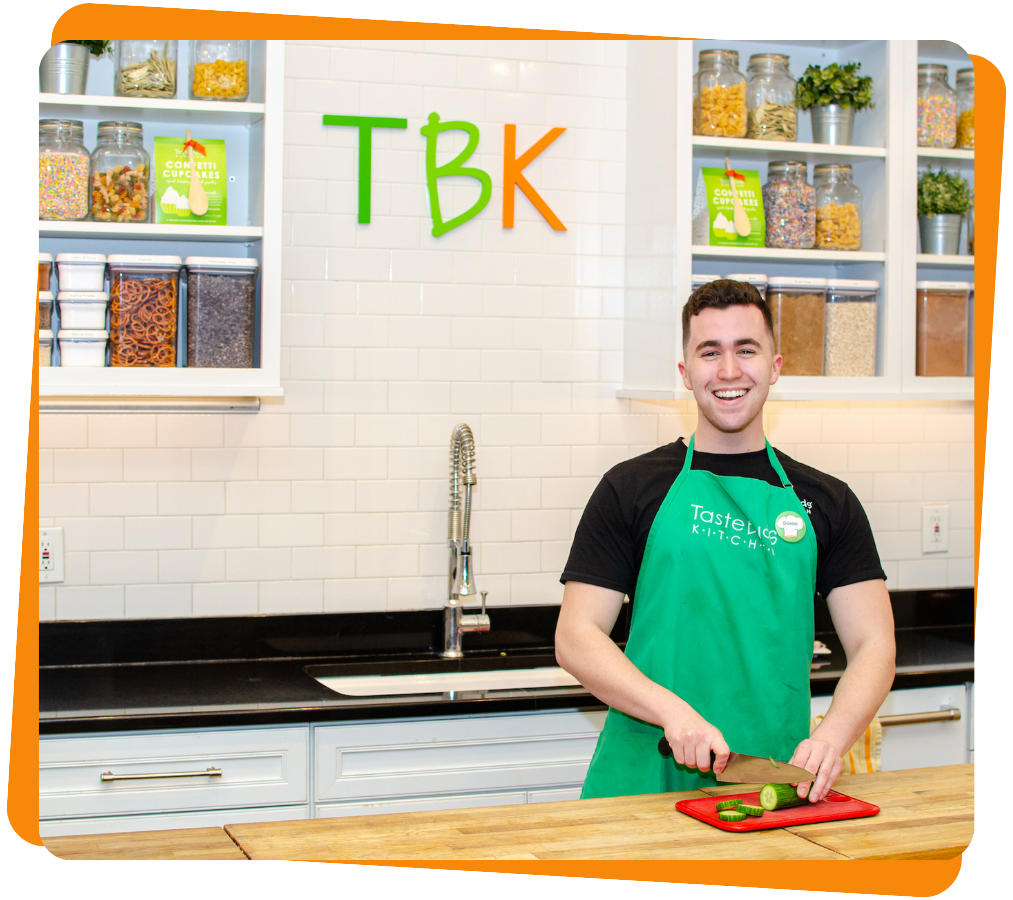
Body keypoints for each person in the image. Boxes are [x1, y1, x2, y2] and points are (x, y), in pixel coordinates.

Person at [555, 279, 896, 803]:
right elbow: (576, 636)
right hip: (646, 771)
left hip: (773, 777)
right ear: (686, 373)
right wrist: (672, 712)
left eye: (746, 350)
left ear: (775, 366)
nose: (730, 371)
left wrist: (831, 738)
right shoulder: (630, 487)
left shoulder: (828, 500)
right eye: (709, 352)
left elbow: (875, 644)